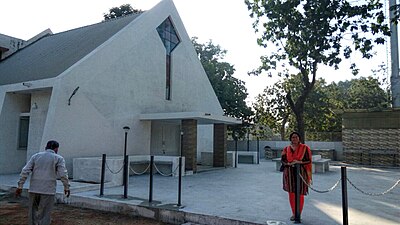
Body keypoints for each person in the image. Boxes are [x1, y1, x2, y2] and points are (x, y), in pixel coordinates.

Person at [15, 140, 70, 225]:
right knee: (45, 213)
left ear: (45, 148)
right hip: (48, 190)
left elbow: (25, 171)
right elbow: (63, 174)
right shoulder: (58, 158)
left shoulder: (35, 156)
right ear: (56, 149)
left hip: (34, 188)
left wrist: (20, 186)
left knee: (32, 212)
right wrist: (66, 187)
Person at [281, 132, 312, 221]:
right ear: (290, 139)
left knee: (300, 193)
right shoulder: (286, 149)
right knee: (291, 193)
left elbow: (308, 160)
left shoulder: (305, 148)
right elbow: (282, 160)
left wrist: (299, 162)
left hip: (301, 173)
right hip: (289, 173)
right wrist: (288, 163)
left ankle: (298, 214)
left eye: (296, 137)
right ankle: (294, 213)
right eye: (293, 137)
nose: (294, 139)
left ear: (299, 138)